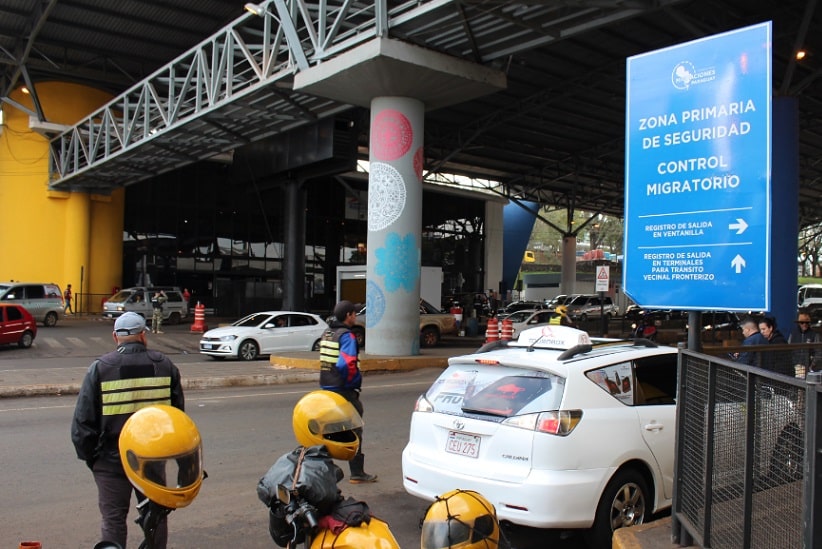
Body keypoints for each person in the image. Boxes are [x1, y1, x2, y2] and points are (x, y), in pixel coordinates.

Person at [71, 312, 184, 549]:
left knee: (113, 522)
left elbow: (83, 424)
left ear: (115, 336)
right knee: (155, 517)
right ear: (143, 335)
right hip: (151, 461)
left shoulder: (100, 369)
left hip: (112, 462)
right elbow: (177, 418)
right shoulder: (165, 366)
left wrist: (93, 459)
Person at [319, 300, 377, 483]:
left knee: (328, 431)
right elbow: (347, 364)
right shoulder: (347, 336)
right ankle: (357, 473)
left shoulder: (327, 333)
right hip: (344, 390)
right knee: (355, 429)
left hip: (326, 389)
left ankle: (322, 472)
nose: (356, 317)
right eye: (354, 314)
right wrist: (353, 382)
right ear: (349, 316)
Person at [788, 309, 820, 376]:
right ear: (799, 323)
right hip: (794, 367)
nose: (804, 324)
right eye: (802, 322)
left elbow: (818, 352)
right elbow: (788, 350)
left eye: (807, 322)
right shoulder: (793, 334)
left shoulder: (814, 335)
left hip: (808, 368)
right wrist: (792, 364)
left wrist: (811, 366)